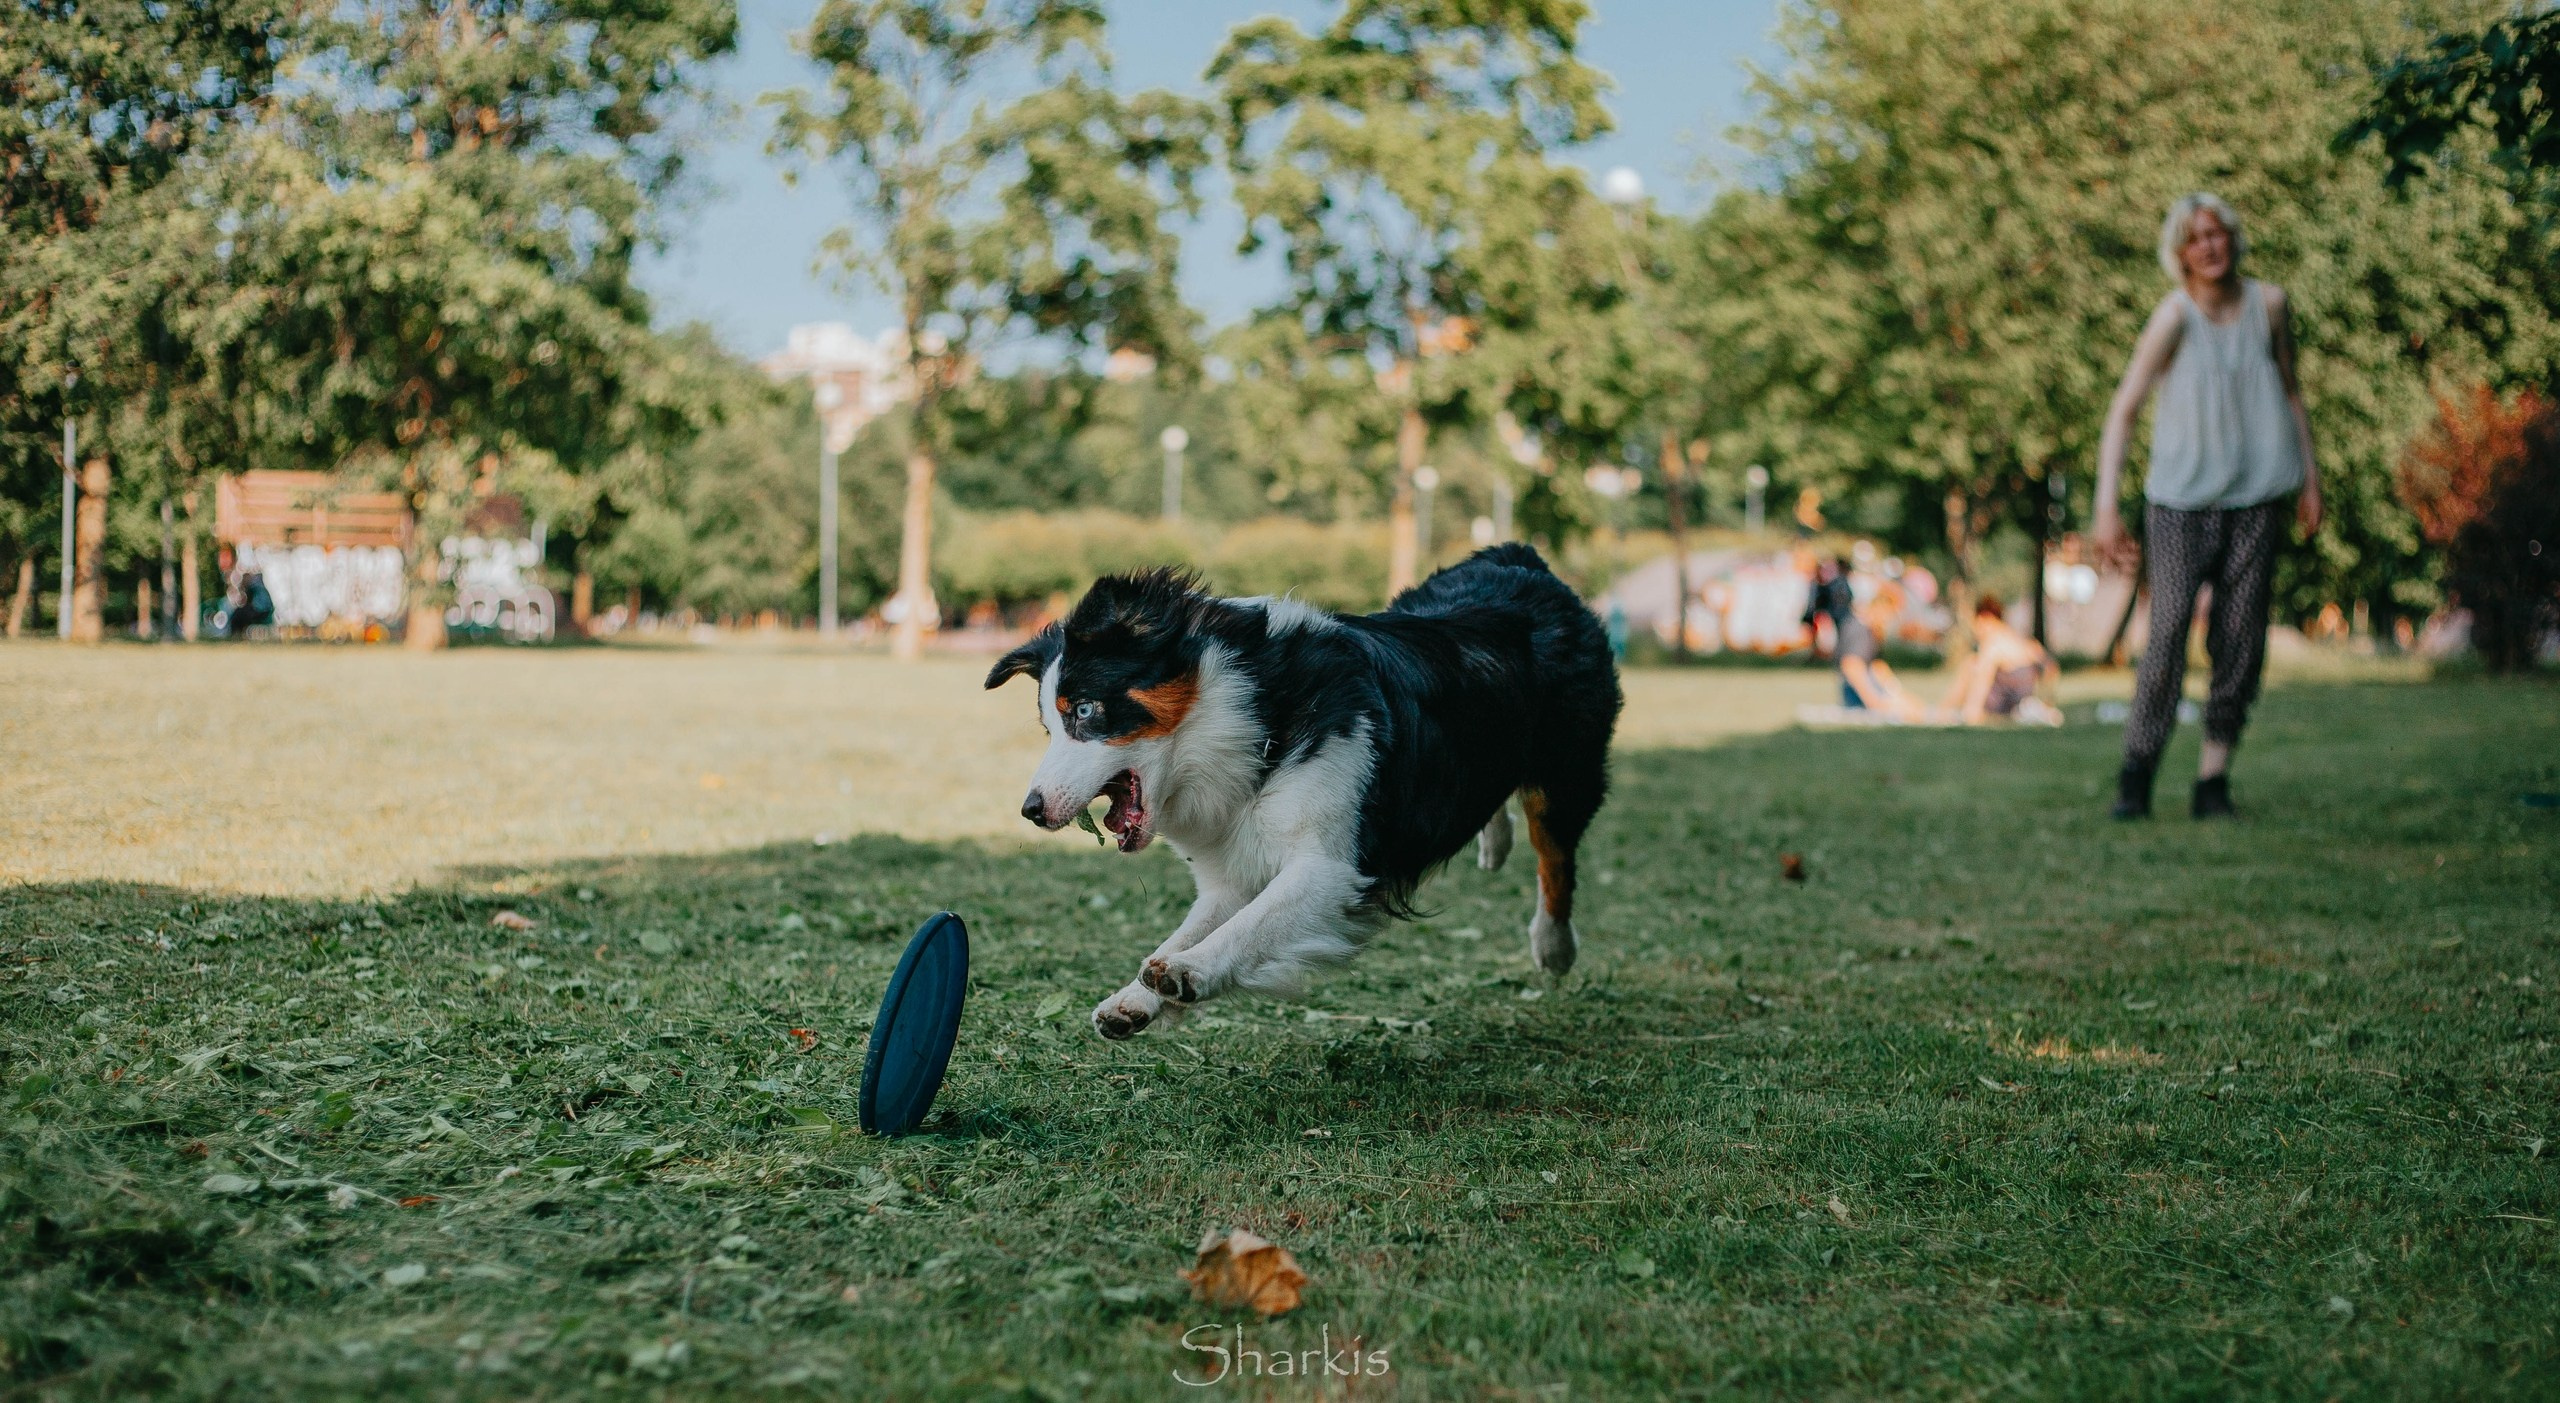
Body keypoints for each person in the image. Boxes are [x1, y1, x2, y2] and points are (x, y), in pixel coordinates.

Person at [2091, 193, 2323, 819]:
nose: (2210, 247)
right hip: (2180, 503)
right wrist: (2106, 508)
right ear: (2181, 253)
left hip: (2257, 497)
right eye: (2195, 238)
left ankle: (2212, 781)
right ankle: (2136, 776)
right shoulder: (2174, 317)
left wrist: (2311, 480)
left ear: (2234, 239)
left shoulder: (2269, 306)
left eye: (2217, 233)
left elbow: (2292, 391)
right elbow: (2123, 411)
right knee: (2167, 634)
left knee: (2241, 638)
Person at [1947, 594, 2060, 725]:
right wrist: (2048, 701)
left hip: (2008, 700)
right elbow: (2051, 668)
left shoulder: (1993, 644)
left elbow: (1983, 678)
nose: (1975, 631)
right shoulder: (2016, 638)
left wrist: (1972, 710)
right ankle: (2034, 709)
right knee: (1973, 663)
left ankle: (1945, 710)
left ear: (1983, 618)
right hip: (2023, 698)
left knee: (1970, 664)